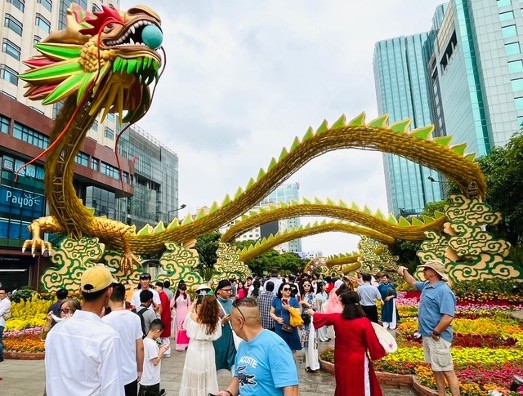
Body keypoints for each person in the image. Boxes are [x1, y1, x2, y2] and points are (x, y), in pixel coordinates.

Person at [45, 265, 124, 396]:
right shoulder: (108, 337)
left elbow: (51, 378)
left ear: (80, 291)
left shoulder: (56, 331)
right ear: (109, 292)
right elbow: (113, 389)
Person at [397, 261, 460, 396]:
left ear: (434, 272)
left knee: (448, 371)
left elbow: (448, 316)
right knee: (436, 369)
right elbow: (412, 282)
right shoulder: (427, 286)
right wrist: (403, 271)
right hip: (428, 336)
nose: (424, 271)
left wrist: (436, 332)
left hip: (438, 337)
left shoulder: (444, 291)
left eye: (426, 269)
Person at [307, 291, 386, 396]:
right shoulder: (364, 322)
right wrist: (380, 351)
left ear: (343, 304)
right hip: (358, 359)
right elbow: (373, 342)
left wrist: (310, 311)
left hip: (341, 358)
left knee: (343, 384)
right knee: (360, 383)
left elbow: (320, 317)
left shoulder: (337, 318)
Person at [215, 298, 299, 396]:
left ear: (240, 322)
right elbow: (239, 376)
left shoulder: (275, 346)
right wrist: (228, 393)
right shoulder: (243, 344)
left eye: (231, 320)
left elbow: (291, 390)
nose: (231, 324)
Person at [103, 283, 145, 396]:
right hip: (130, 374)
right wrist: (140, 369)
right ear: (125, 297)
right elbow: (140, 347)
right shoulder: (135, 318)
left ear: (108, 296)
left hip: (111, 376)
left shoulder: (104, 321)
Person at [179, 295, 222, 395]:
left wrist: (193, 304)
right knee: (207, 374)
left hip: (194, 348)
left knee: (193, 373)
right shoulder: (216, 321)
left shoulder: (193, 317)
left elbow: (185, 323)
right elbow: (218, 335)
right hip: (208, 349)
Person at [270, 282, 302, 355]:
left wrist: (289, 308)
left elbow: (298, 313)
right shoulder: (276, 300)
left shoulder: (294, 300)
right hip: (279, 328)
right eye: (286, 289)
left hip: (291, 328)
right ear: (281, 291)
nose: (288, 291)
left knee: (292, 350)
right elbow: (271, 312)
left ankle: (291, 364)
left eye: (289, 289)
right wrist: (277, 318)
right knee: (280, 349)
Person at [139, 319, 168, 396]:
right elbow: (155, 362)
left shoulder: (144, 340)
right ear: (157, 331)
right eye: (160, 333)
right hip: (152, 380)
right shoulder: (152, 345)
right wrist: (161, 351)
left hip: (144, 379)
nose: (159, 336)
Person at [213, 280, 236, 371]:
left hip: (232, 335)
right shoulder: (215, 304)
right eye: (227, 290)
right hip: (220, 337)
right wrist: (222, 321)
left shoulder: (231, 302)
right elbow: (211, 323)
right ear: (219, 291)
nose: (229, 292)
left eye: (230, 290)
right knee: (219, 357)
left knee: (232, 358)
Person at [299, 280, 320, 373]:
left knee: (312, 343)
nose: (306, 287)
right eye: (305, 285)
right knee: (307, 344)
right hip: (305, 321)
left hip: (311, 321)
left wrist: (306, 304)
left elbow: (315, 308)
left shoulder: (313, 295)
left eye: (308, 285)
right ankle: (308, 364)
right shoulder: (304, 295)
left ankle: (314, 365)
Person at [154, 281, 172, 357]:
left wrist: (158, 316)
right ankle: (165, 351)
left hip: (164, 318)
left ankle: (167, 352)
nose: (155, 289)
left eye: (156, 287)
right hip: (164, 317)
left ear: (160, 287)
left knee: (165, 336)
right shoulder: (161, 295)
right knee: (163, 336)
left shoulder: (162, 296)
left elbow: (162, 308)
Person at [174, 282, 191, 351]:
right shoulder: (176, 296)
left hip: (185, 313)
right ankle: (179, 346)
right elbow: (171, 304)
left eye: (184, 290)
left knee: (185, 328)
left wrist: (189, 313)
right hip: (178, 313)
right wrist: (174, 297)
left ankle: (186, 345)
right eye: (181, 289)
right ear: (178, 289)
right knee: (178, 329)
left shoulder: (187, 296)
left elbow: (189, 305)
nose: (183, 291)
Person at [0, 286, 12, 363]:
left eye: (1, 293)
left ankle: (0, 356)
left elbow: (0, 312)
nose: (0, 294)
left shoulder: (6, 302)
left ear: (6, 294)